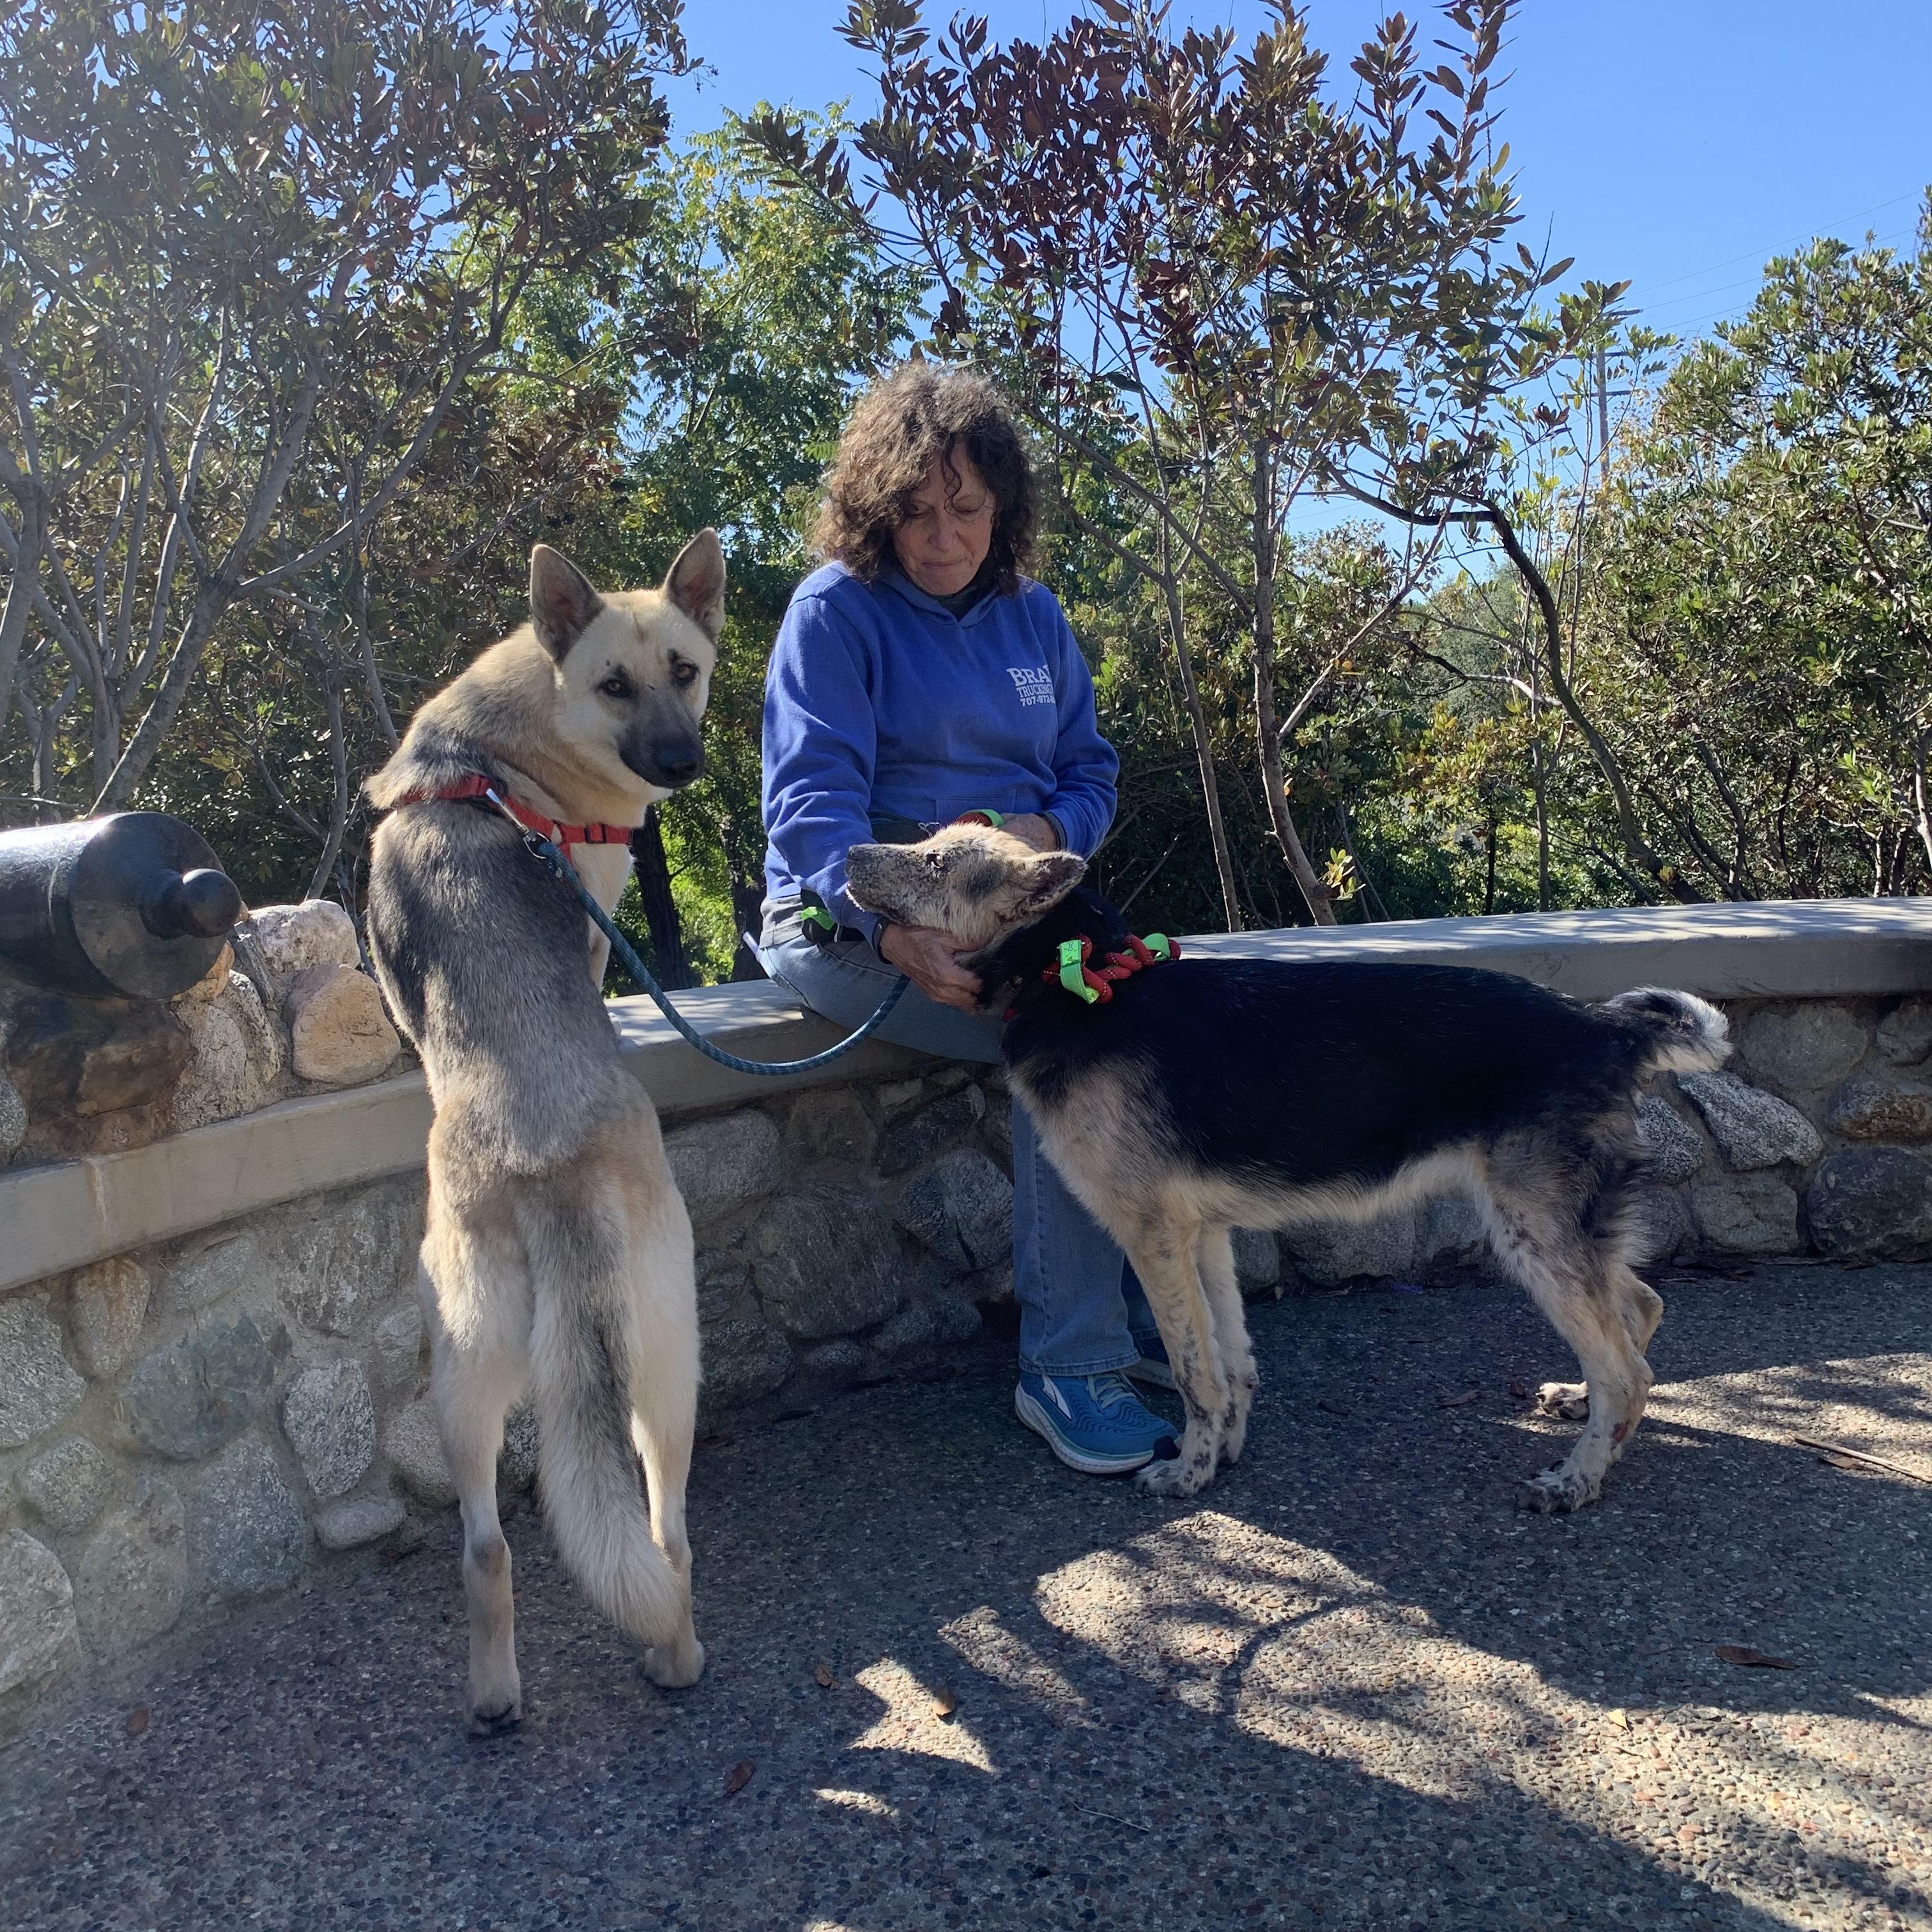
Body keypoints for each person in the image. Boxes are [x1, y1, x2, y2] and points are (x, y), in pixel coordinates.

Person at [755, 362, 1177, 1476]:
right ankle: (1070, 1366)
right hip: (847, 929)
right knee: (1066, 1039)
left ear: (1004, 508)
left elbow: (1090, 771)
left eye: (968, 509)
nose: (943, 538)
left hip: (1009, 914)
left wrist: (1047, 831)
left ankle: (1133, 1316)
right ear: (875, 509)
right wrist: (892, 935)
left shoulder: (1035, 617)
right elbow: (811, 810)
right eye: (916, 512)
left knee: (1148, 1015)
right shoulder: (833, 614)